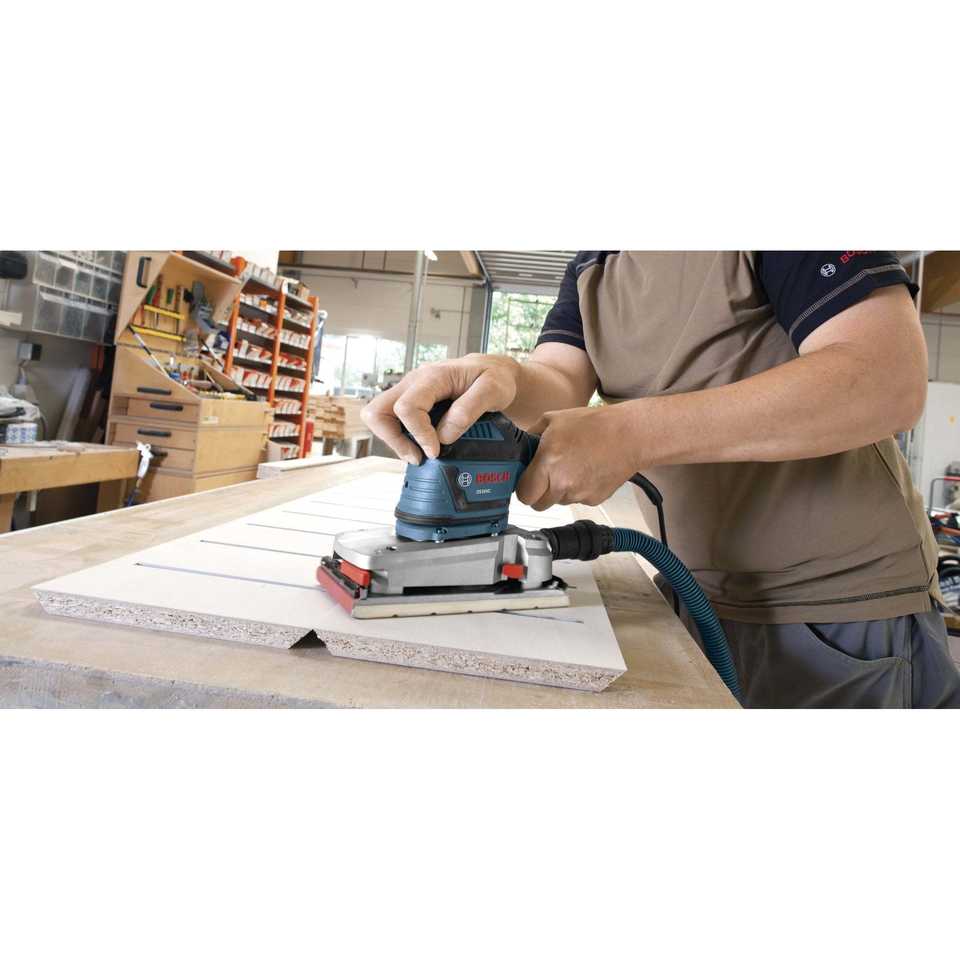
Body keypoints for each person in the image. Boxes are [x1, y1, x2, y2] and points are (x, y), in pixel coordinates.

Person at [362, 252, 960, 708]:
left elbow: (885, 377)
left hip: (840, 610)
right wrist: (500, 374)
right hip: (693, 593)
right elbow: (559, 377)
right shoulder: (597, 258)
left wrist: (630, 432)